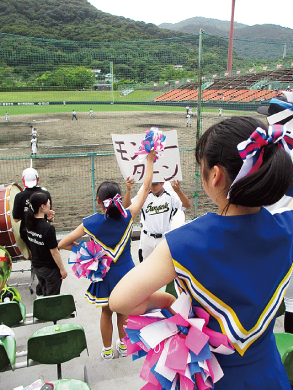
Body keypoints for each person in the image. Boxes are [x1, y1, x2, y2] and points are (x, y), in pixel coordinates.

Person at [110, 116, 293, 389]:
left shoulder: (184, 242)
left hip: (211, 378)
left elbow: (119, 301)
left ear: (216, 176)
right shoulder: (287, 227)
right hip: (269, 374)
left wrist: (165, 302)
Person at [58, 151, 156, 360]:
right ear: (119, 199)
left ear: (99, 201)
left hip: (104, 275)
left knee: (106, 312)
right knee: (123, 311)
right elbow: (146, 188)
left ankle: (107, 351)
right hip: (126, 273)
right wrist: (149, 160)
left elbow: (63, 243)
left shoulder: (91, 222)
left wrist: (86, 253)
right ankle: (123, 346)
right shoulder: (128, 216)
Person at [257, 92, 293, 333]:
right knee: (291, 300)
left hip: (266, 229)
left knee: (261, 293)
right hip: (287, 227)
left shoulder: (266, 148)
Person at [124, 179, 191, 262]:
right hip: (147, 238)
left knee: (164, 266)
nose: (153, 186)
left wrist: (178, 191)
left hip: (163, 238)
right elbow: (128, 208)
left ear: (162, 183)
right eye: (151, 184)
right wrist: (128, 190)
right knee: (146, 267)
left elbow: (187, 205)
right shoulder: (144, 196)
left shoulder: (171, 196)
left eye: (155, 184)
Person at [25, 192, 67, 296]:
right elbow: (54, 252)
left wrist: (48, 221)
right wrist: (62, 269)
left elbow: (40, 236)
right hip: (50, 270)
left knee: (45, 293)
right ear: (42, 206)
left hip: (37, 267)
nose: (49, 205)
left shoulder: (29, 222)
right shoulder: (48, 229)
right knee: (51, 300)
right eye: (48, 203)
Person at [12, 168, 54, 250]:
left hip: (26, 231)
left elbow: (16, 219)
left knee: (35, 255)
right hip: (43, 230)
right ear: (37, 179)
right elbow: (48, 213)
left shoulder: (19, 196)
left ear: (23, 180)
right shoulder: (45, 194)